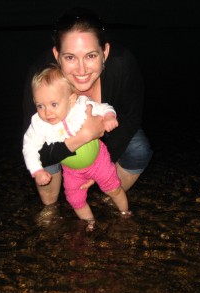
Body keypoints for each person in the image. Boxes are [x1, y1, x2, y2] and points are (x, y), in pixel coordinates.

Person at [22, 7, 153, 209]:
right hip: (57, 138)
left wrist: (99, 165)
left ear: (105, 52)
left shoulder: (122, 65)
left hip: (106, 130)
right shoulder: (40, 77)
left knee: (139, 149)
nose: (81, 70)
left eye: (91, 56)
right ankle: (51, 213)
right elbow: (31, 145)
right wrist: (81, 138)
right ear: (57, 55)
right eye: (70, 57)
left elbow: (131, 119)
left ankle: (108, 199)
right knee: (49, 201)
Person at [23, 64, 131, 230]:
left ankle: (125, 213)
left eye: (53, 104)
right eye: (40, 105)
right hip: (72, 170)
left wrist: (109, 116)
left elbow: (104, 107)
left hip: (98, 161)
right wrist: (36, 170)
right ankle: (90, 222)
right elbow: (29, 146)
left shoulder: (81, 105)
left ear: (71, 100)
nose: (47, 112)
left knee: (113, 188)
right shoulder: (39, 123)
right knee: (74, 199)